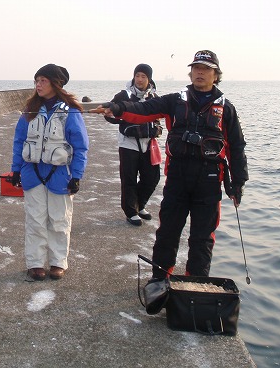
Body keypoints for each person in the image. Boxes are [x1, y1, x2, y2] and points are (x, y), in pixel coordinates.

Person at [102, 50, 248, 278]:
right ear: (190, 73)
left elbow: (236, 146)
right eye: (196, 68)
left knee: (202, 238)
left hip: (209, 182)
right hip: (178, 178)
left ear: (216, 75)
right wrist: (120, 108)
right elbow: (145, 110)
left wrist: (238, 182)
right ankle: (160, 279)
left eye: (206, 69)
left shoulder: (226, 108)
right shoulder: (174, 101)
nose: (200, 72)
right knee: (167, 233)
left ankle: (196, 283)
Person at [10, 64, 89, 281]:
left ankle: (58, 262)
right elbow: (19, 141)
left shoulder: (71, 112)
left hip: (60, 175)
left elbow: (80, 146)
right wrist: (15, 170)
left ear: (56, 84)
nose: (38, 84)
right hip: (32, 174)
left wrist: (77, 176)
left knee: (59, 221)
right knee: (34, 220)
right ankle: (35, 264)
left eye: (43, 80)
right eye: (37, 80)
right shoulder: (29, 111)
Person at [105, 63, 162, 226]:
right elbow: (109, 114)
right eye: (137, 76)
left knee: (152, 178)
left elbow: (159, 116)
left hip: (149, 143)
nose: (139, 79)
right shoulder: (123, 95)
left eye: (143, 76)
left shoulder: (154, 97)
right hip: (128, 143)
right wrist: (121, 118)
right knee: (128, 178)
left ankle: (140, 204)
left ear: (149, 79)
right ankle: (131, 211)